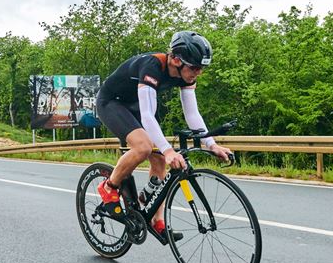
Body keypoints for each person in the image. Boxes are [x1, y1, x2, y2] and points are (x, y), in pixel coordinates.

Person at [95, 31, 233, 241]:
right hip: (112, 103)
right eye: (195, 67)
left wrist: (211, 144)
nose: (198, 73)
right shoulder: (152, 66)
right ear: (176, 60)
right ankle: (109, 186)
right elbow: (148, 115)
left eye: (202, 69)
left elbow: (192, 114)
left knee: (160, 160)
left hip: (137, 106)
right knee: (143, 147)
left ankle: (156, 219)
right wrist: (168, 149)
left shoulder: (186, 76)